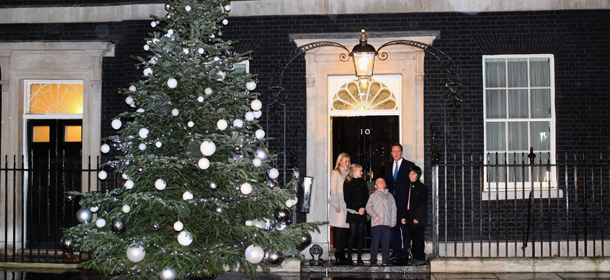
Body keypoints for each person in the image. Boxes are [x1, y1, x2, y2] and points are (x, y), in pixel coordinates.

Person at [383, 143, 414, 265]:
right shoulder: (388, 166)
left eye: (398, 151)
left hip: (404, 201)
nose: (396, 154)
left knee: (405, 228)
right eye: (393, 151)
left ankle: (404, 253)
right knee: (393, 227)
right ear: (391, 153)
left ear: (401, 152)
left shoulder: (409, 165)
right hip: (391, 202)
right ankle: (395, 252)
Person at [342, 163, 369, 266]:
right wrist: (357, 208)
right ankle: (349, 257)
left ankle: (359, 258)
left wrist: (363, 207)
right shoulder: (347, 182)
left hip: (361, 210)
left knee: (360, 235)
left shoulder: (362, 182)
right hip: (353, 211)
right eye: (360, 171)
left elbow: (366, 195)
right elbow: (347, 198)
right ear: (354, 172)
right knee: (352, 234)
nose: (361, 173)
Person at [401, 165, 428, 266]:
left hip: (418, 218)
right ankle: (415, 257)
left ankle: (420, 258)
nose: (411, 175)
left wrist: (417, 217)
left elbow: (422, 204)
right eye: (410, 173)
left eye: (414, 173)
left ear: (418, 175)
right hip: (409, 217)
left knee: (418, 238)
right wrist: (403, 216)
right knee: (413, 238)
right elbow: (405, 203)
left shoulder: (422, 188)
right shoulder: (407, 187)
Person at [365, 178, 396, 266]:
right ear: (375, 186)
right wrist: (375, 216)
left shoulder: (390, 196)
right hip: (376, 224)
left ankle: (386, 259)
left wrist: (393, 221)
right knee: (375, 241)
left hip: (386, 223)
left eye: (383, 181)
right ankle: (373, 258)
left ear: (385, 184)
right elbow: (368, 207)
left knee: (386, 242)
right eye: (378, 181)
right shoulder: (373, 196)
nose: (381, 182)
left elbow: (393, 209)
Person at [328, 152, 350, 265]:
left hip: (347, 205)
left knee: (345, 229)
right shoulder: (336, 172)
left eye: (348, 161)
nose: (347, 163)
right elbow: (333, 189)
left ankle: (342, 251)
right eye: (345, 161)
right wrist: (336, 204)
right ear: (340, 161)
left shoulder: (348, 173)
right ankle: (338, 251)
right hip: (339, 204)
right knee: (338, 228)